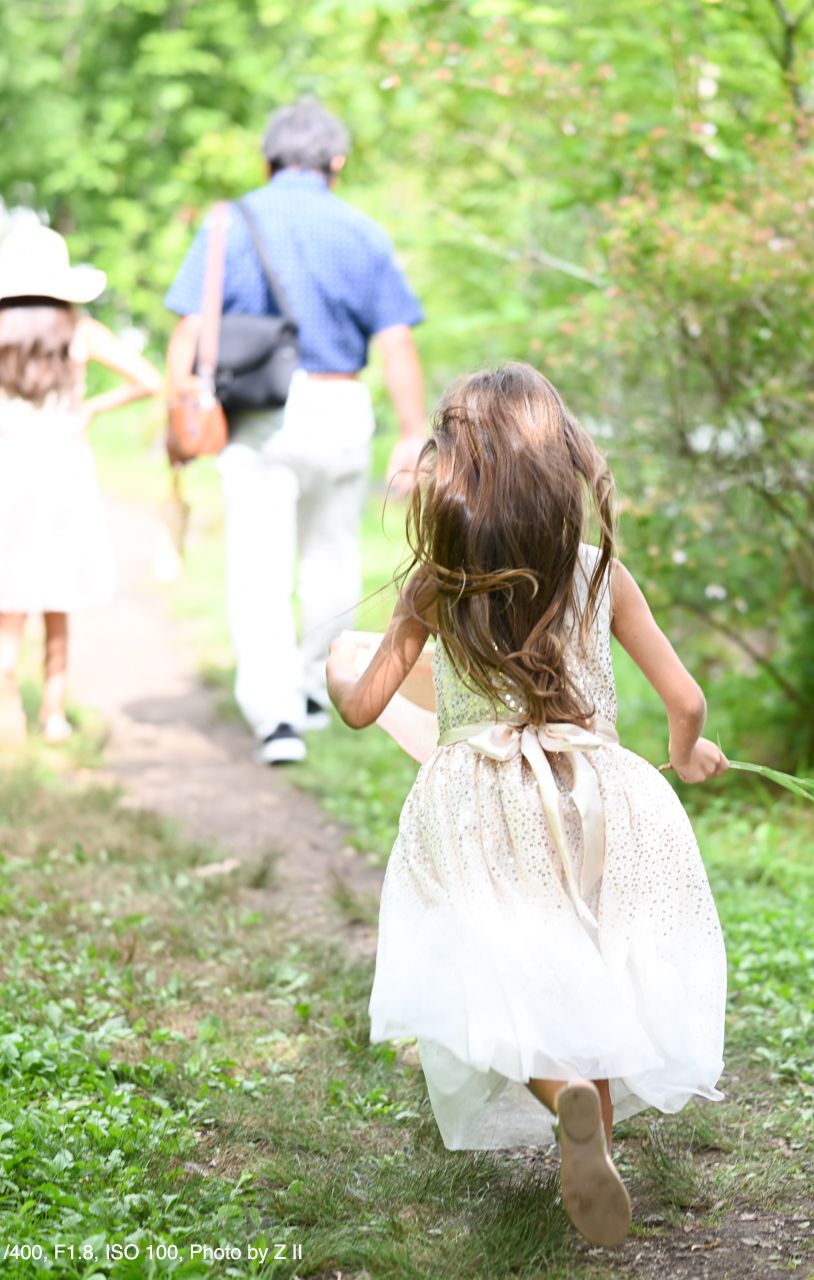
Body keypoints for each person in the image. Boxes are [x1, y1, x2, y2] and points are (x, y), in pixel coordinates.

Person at [325, 363, 730, 1248]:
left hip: (479, 803)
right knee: (591, 965)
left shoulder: (435, 582)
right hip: (596, 792)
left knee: (500, 971)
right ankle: (595, 1154)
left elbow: (363, 707)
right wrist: (683, 754)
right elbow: (687, 698)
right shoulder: (599, 574)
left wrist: (335, 669)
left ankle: (559, 1097)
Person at [165, 96, 428, 766]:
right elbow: (396, 339)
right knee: (332, 557)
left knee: (259, 564)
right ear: (336, 163)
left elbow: (190, 329)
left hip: (260, 412)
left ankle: (276, 718)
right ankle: (314, 685)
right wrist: (412, 428)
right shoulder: (363, 231)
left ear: (268, 160)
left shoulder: (227, 223)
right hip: (341, 406)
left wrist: (178, 414)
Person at [0, 223, 164, 749]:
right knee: (58, 590)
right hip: (62, 462)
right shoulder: (80, 330)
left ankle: (3, 674)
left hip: (7, 462)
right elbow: (149, 380)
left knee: (11, 586)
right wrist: (91, 406)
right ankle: (52, 713)